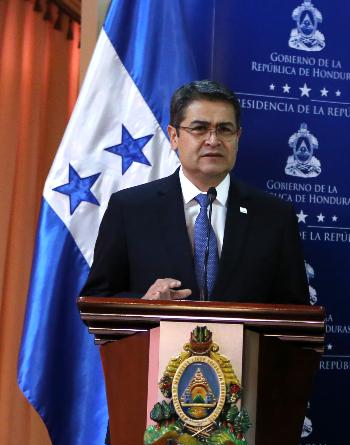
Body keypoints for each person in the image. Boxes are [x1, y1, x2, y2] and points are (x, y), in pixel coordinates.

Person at [81, 80, 308, 304]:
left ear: (237, 137)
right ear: (174, 137)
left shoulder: (275, 215)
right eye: (199, 129)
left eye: (224, 129)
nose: (213, 140)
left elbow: (296, 311)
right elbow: (97, 299)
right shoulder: (129, 208)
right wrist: (145, 302)